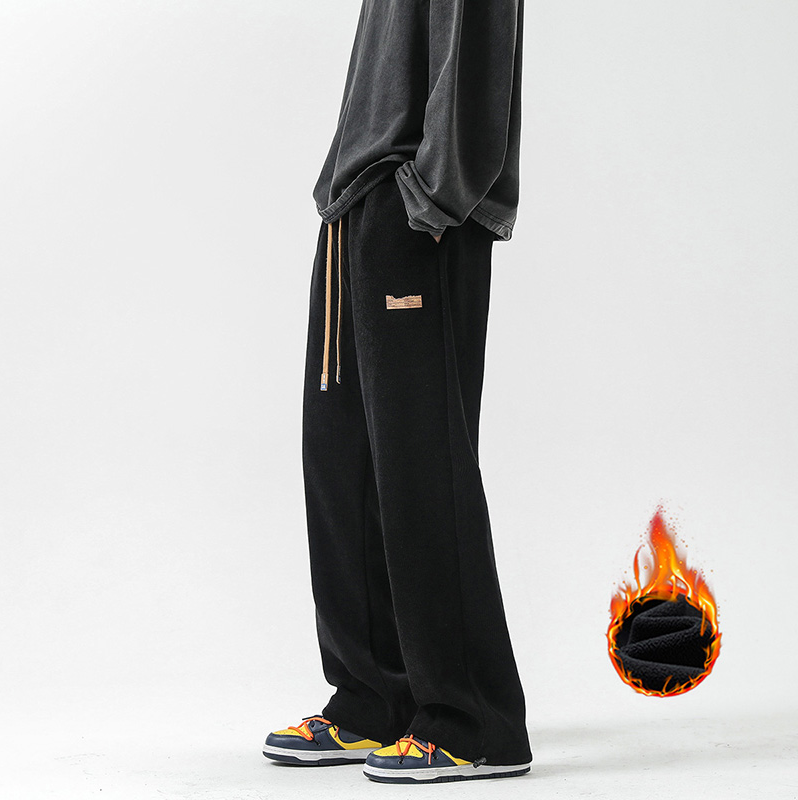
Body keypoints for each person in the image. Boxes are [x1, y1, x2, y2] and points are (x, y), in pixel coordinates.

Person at [262, 0, 532, 784]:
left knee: (423, 468)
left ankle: (474, 719)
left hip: (418, 214)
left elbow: (477, 50)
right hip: (357, 206)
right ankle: (374, 696)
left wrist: (432, 198)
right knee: (341, 464)